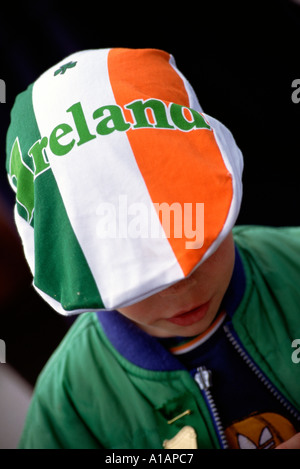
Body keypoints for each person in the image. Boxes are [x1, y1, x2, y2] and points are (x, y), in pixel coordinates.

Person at [6, 48, 300, 449]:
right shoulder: (72, 401)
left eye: (194, 237)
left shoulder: (294, 262)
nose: (180, 282)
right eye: (137, 267)